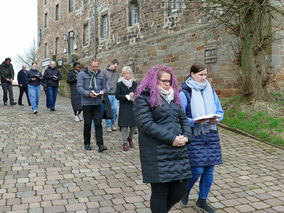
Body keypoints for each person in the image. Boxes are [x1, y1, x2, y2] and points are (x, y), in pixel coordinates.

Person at [133, 65, 192, 213]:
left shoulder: (174, 97)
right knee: (160, 191)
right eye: (164, 81)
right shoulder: (143, 97)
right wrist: (171, 138)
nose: (167, 84)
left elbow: (183, 119)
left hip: (178, 150)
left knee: (181, 187)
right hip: (157, 151)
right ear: (153, 80)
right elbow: (145, 124)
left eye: (169, 81)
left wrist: (187, 136)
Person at [180, 62, 224, 213]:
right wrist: (194, 121)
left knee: (209, 170)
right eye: (200, 75)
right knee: (197, 169)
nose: (204, 78)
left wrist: (216, 119)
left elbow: (220, 111)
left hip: (210, 133)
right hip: (194, 135)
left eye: (205, 75)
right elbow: (180, 117)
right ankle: (184, 190)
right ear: (192, 74)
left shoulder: (210, 91)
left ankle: (202, 200)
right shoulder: (184, 92)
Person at [77, 59, 107, 152]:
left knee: (98, 123)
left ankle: (100, 144)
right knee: (87, 123)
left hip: (98, 102)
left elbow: (105, 87)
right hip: (87, 103)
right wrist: (88, 93)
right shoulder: (82, 74)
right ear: (89, 66)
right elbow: (79, 87)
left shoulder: (101, 75)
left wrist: (103, 92)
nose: (95, 68)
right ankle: (87, 143)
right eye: (93, 66)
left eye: (97, 66)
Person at [115, 66, 137, 151]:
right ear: (123, 74)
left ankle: (130, 138)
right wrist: (125, 96)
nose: (127, 75)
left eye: (128, 73)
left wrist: (133, 93)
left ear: (131, 74)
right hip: (124, 106)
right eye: (125, 73)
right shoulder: (119, 84)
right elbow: (117, 95)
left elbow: (138, 93)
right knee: (124, 125)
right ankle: (124, 142)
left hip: (132, 106)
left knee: (134, 125)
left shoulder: (134, 83)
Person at [102, 59, 119, 132]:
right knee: (108, 110)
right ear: (111, 64)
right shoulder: (104, 72)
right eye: (115, 66)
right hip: (107, 94)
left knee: (114, 109)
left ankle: (113, 123)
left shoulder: (116, 73)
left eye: (117, 67)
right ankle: (108, 125)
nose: (116, 68)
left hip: (114, 94)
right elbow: (102, 82)